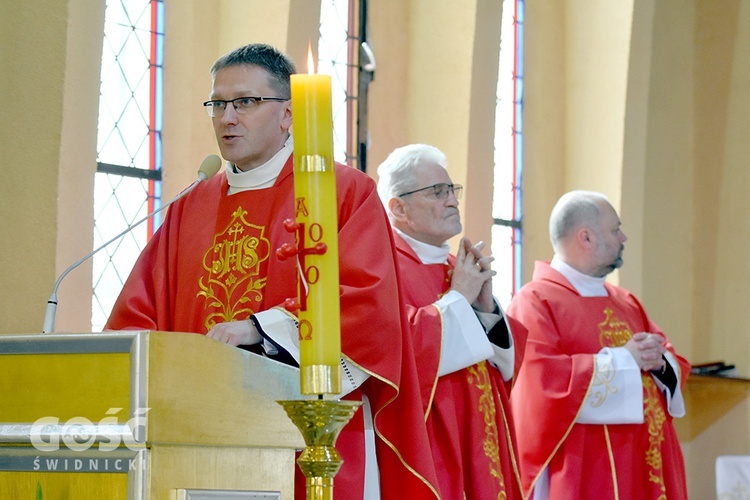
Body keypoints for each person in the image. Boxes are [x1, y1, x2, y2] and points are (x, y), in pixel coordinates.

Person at [104, 43, 440, 500]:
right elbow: (137, 318)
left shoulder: (343, 192)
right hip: (198, 437)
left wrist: (260, 330)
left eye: (245, 102)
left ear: (288, 114)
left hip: (308, 436)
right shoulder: (189, 206)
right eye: (218, 104)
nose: (227, 118)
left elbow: (367, 306)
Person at [506, 190, 690, 499]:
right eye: (615, 229)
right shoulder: (535, 301)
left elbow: (671, 357)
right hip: (588, 468)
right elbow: (541, 385)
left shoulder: (625, 301)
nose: (624, 237)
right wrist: (625, 360)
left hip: (646, 462)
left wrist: (659, 361)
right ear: (586, 238)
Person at [376, 143, 526, 499]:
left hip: (479, 430)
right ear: (398, 208)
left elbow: (502, 368)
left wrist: (486, 308)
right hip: (433, 439)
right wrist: (459, 297)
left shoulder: (452, 267)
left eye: (452, 189)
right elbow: (400, 350)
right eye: (437, 192)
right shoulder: (384, 268)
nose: (453, 200)